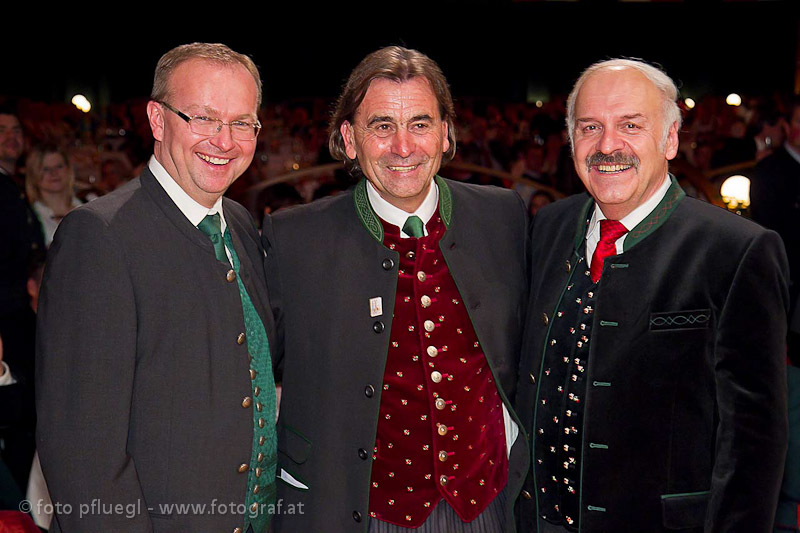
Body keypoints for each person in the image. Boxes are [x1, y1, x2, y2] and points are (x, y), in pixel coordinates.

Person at [262, 46, 529, 532]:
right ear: (348, 139)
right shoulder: (293, 240)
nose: (403, 146)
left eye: (421, 124)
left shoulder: (504, 217)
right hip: (362, 512)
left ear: (446, 134)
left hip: (488, 506)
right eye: (382, 126)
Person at [515, 58, 789, 532]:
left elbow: (753, 444)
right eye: (589, 127)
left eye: (630, 125)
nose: (607, 145)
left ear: (670, 139)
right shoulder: (549, 227)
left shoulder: (736, 250)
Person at [36, 42, 277, 532]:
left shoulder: (240, 224)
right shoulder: (99, 238)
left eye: (241, 123)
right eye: (204, 119)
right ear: (158, 120)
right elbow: (85, 461)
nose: (224, 141)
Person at [0, 107, 43, 500]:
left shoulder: (12, 187)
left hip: (21, 315)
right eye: (2, 131)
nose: (12, 137)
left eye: (17, 130)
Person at [25, 144, 82, 247]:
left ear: (68, 169)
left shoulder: (89, 204)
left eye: (59, 166)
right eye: (46, 169)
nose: (54, 173)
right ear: (34, 174)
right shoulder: (28, 217)